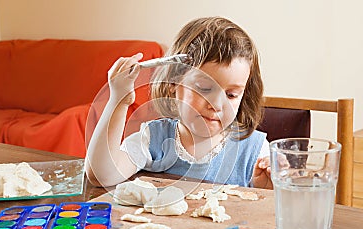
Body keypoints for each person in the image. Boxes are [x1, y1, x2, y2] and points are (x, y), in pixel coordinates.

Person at [86, 16, 272, 189]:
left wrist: (268, 188)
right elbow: (101, 176)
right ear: (173, 83)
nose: (216, 104)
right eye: (204, 89)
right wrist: (119, 99)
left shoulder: (255, 151)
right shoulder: (154, 139)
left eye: (231, 95)